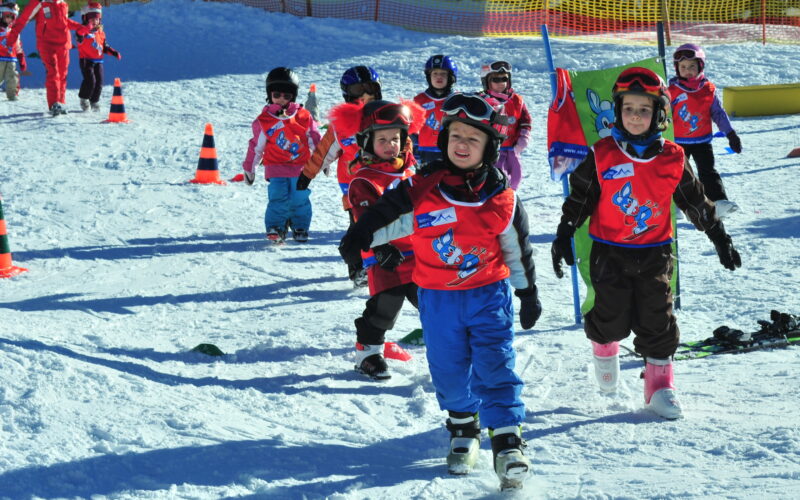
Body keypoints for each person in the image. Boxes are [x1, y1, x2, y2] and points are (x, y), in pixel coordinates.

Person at [339, 92, 541, 489]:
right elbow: (384, 217)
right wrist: (358, 238)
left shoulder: (501, 197)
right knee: (448, 370)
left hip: (487, 294)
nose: (462, 145)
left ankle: (507, 440)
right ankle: (464, 429)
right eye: (456, 137)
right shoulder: (422, 188)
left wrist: (527, 291)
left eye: (473, 138)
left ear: (489, 146)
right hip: (437, 297)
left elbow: (517, 249)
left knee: (495, 364)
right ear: (444, 140)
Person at [551, 67, 742, 420]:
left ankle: (660, 388)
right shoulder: (602, 154)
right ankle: (605, 354)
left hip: (656, 252)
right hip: (609, 252)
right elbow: (581, 197)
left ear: (659, 114)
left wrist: (719, 237)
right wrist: (564, 231)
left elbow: (695, 201)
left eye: (644, 109)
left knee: (659, 319)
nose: (635, 116)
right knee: (609, 316)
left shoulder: (672, 157)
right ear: (618, 110)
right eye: (628, 108)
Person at [329, 98, 424, 380]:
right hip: (386, 257)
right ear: (366, 142)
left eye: (395, 138)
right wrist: (380, 247)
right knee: (386, 306)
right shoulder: (365, 180)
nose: (390, 145)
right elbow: (364, 221)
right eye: (382, 139)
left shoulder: (410, 170)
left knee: (432, 302)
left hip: (419, 253)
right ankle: (368, 353)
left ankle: (452, 348)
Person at [296, 65, 382, 287]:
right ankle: (360, 269)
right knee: (359, 227)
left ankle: (388, 264)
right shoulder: (341, 124)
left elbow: (404, 147)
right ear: (347, 93)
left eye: (369, 90)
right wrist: (307, 174)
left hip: (383, 183)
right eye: (357, 90)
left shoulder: (386, 117)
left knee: (386, 226)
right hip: (353, 188)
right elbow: (324, 152)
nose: (364, 96)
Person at [242, 67, 321, 243]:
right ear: (269, 94)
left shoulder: (303, 116)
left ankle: (300, 225)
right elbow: (256, 146)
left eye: (287, 96)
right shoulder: (265, 120)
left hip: (300, 167)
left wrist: (321, 161)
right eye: (277, 94)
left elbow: (314, 139)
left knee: (300, 197)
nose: (282, 99)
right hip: (275, 167)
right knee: (277, 198)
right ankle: (276, 227)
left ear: (293, 96)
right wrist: (250, 167)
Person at [669, 43, 741, 218]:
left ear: (700, 66)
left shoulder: (707, 89)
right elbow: (664, 114)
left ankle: (718, 202)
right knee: (676, 173)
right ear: (677, 68)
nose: (688, 70)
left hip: (702, 141)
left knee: (708, 172)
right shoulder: (671, 90)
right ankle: (676, 204)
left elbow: (718, 113)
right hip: (678, 141)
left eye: (692, 66)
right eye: (683, 67)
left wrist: (730, 133)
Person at [6, 0, 90, 115]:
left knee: (62, 74)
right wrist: (11, 39)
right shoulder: (39, 2)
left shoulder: (63, 4)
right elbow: (22, 20)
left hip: (64, 44)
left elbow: (64, 22)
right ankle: (54, 103)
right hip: (46, 44)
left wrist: (81, 27)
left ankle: (60, 102)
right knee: (53, 73)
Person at [479, 60, 531, 190]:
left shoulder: (517, 100)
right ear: (486, 81)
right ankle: (495, 199)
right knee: (497, 179)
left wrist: (523, 137)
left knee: (516, 178)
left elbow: (525, 119)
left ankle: (510, 198)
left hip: (513, 149)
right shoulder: (483, 100)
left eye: (504, 79)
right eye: (496, 79)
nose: (501, 83)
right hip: (493, 151)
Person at [412, 54, 458, 165]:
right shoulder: (419, 100)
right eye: (435, 73)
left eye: (443, 73)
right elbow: (411, 127)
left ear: (451, 77)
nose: (439, 77)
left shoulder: (457, 99)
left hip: (450, 151)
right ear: (429, 76)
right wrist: (415, 147)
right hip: (426, 152)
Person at [75, 2, 121, 112]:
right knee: (90, 81)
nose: (94, 21)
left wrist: (113, 52)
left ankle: (94, 101)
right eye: (91, 18)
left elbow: (104, 46)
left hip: (98, 61)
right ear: (85, 18)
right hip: (86, 60)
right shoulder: (83, 32)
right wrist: (85, 29)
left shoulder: (101, 32)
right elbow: (79, 36)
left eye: (97, 19)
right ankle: (84, 98)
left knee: (99, 82)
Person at [0, 2, 28, 101]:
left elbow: (18, 47)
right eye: (7, 16)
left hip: (11, 58)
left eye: (12, 17)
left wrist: (21, 59)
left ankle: (12, 94)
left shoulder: (14, 31)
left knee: (12, 76)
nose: (9, 19)